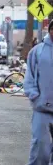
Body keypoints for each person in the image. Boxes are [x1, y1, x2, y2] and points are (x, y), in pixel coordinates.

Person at [24, 20, 53, 165]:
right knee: (40, 149)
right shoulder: (38, 51)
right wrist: (35, 96)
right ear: (50, 30)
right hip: (42, 108)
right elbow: (29, 76)